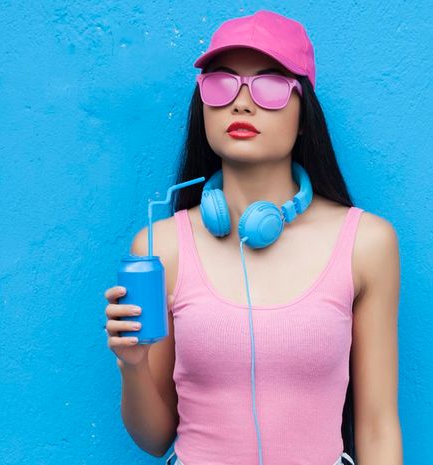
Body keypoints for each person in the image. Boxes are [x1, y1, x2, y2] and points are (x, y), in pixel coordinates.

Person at [101, 9, 403, 465]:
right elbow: (155, 438)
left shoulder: (367, 243)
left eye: (271, 86)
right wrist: (133, 365)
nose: (241, 104)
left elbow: (378, 426)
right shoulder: (159, 247)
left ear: (305, 116)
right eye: (221, 84)